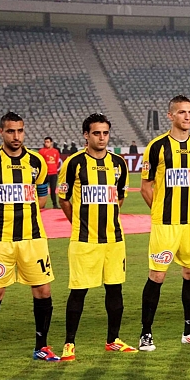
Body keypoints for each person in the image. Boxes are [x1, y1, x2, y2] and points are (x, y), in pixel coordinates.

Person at [0, 112, 59, 369]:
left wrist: (31, 209)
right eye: (10, 131)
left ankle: (42, 347)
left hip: (33, 238)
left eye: (20, 130)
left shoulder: (36, 161)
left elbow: (42, 195)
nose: (16, 136)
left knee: (43, 291)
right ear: (1, 132)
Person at [58, 113, 136, 361]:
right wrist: (78, 223)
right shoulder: (74, 163)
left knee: (115, 289)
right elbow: (63, 198)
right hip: (84, 240)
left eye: (105, 133)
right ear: (86, 135)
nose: (102, 138)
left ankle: (113, 340)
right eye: (96, 133)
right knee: (78, 291)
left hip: (113, 239)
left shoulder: (118, 163)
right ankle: (69, 343)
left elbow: (119, 197)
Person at [138, 95, 190, 351]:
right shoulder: (157, 147)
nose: (187, 116)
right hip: (165, 225)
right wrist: (160, 211)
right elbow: (145, 186)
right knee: (157, 276)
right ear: (170, 116)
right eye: (182, 112)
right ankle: (146, 333)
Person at [38, 136, 60, 208]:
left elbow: (57, 161)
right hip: (45, 174)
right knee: (43, 190)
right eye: (45, 142)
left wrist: (54, 168)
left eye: (48, 142)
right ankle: (42, 205)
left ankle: (55, 205)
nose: (46, 143)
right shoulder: (41, 151)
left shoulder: (55, 151)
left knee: (53, 189)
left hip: (53, 173)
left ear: (51, 143)